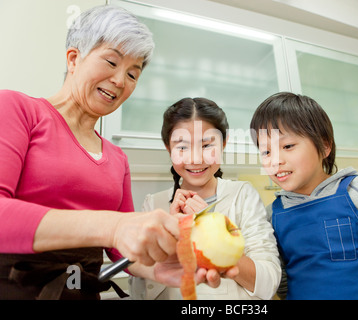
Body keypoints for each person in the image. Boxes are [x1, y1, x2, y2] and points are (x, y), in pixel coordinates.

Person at [0, 5, 219, 300]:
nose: (120, 80)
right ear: (74, 58)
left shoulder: (117, 158)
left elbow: (119, 251)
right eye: (111, 62)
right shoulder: (17, 109)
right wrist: (114, 226)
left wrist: (156, 269)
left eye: (132, 73)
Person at [249, 92, 358, 300]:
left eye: (287, 146)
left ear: (324, 146)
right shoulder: (271, 216)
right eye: (266, 152)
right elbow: (281, 278)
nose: (275, 160)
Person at [129, 97, 281, 300]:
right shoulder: (154, 204)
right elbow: (140, 286)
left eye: (207, 145)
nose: (195, 159)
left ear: (223, 144)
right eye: (182, 147)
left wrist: (211, 233)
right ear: (168, 148)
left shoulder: (242, 195)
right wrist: (173, 234)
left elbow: (268, 282)